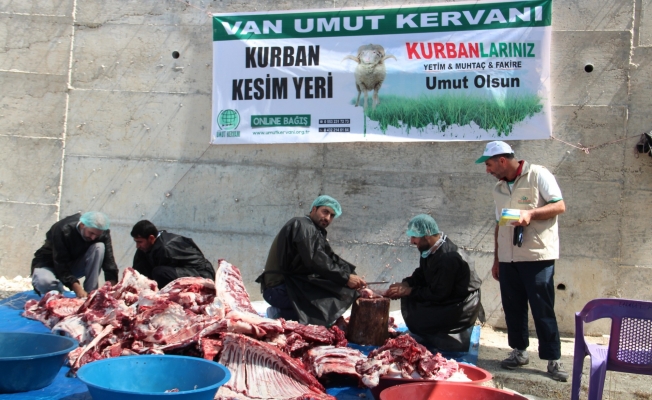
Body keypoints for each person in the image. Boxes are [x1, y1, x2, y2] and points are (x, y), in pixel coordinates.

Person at [476, 141, 568, 381]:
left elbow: (560, 205)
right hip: (508, 259)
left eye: (489, 164)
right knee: (512, 308)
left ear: (502, 160)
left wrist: (531, 214)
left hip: (537, 256)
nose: (487, 170)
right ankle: (519, 352)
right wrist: (497, 259)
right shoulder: (498, 188)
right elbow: (499, 225)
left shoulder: (538, 175)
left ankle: (553, 359)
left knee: (542, 309)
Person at [256, 195, 366, 326]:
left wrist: (351, 274)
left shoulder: (315, 231)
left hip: (291, 284)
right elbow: (315, 260)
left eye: (332, 215)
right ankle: (280, 313)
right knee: (330, 299)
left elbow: (330, 257)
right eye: (325, 212)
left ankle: (288, 313)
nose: (327, 218)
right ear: (314, 209)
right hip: (278, 289)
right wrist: (346, 278)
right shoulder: (302, 225)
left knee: (338, 289)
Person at [385, 214, 483, 352]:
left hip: (459, 305)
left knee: (419, 309)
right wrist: (407, 283)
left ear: (427, 236)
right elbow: (423, 272)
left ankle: (436, 336)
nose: (411, 241)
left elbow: (439, 293)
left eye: (414, 237)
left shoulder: (448, 258)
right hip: (446, 294)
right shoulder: (430, 249)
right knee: (414, 300)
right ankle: (424, 333)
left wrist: (409, 291)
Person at [31, 211, 118, 298]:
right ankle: (58, 293)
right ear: (82, 225)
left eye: (97, 235)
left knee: (99, 247)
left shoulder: (102, 233)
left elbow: (109, 261)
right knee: (45, 282)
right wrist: (77, 289)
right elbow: (60, 262)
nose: (93, 238)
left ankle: (91, 294)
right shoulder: (62, 229)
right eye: (91, 233)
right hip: (49, 264)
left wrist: (113, 289)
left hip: (73, 265)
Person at [130, 220, 215, 289]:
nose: (137, 246)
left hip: (202, 274)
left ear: (151, 238)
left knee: (159, 273)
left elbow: (161, 277)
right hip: (181, 271)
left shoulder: (166, 248)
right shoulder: (148, 246)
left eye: (140, 242)